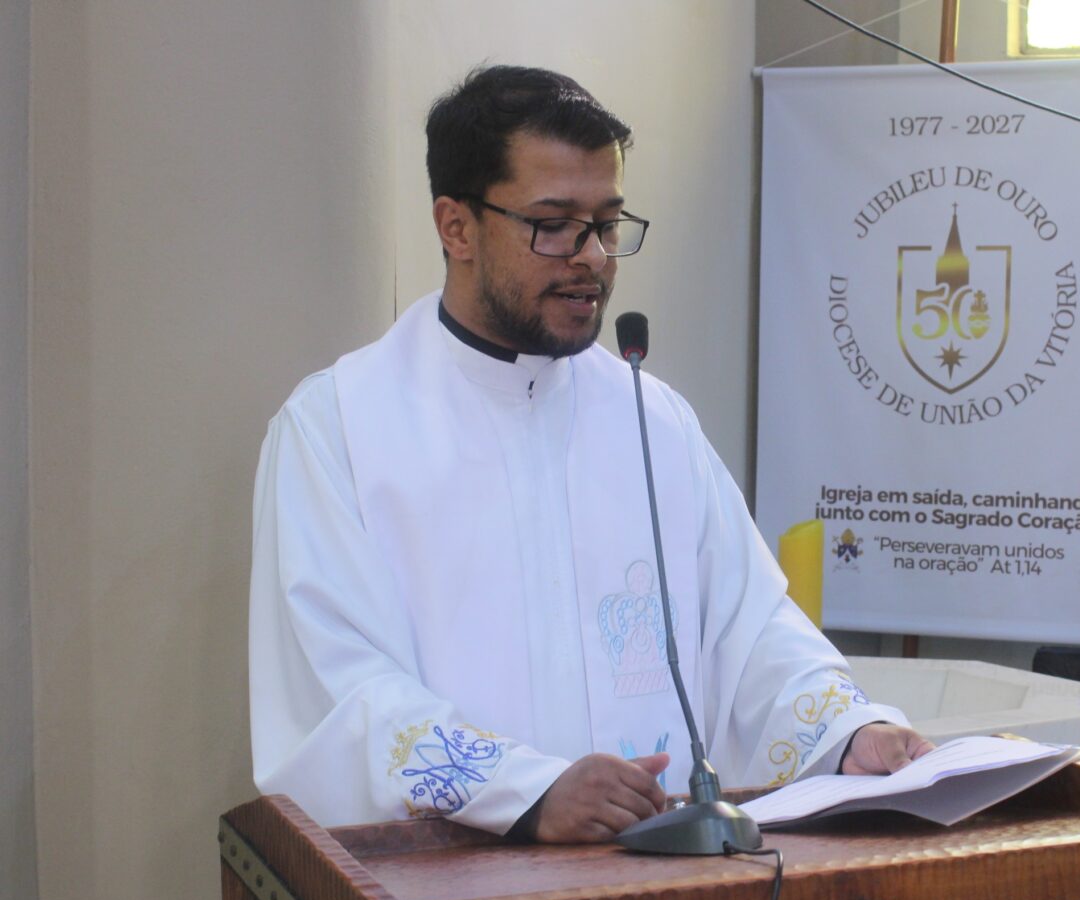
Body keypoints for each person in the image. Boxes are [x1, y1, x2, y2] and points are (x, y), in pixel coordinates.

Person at [248, 65, 933, 844]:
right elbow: (338, 689)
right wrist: (530, 792)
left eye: (606, 225)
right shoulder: (338, 425)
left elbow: (749, 632)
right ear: (456, 227)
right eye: (554, 224)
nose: (594, 258)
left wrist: (848, 732)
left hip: (662, 897)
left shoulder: (653, 419)